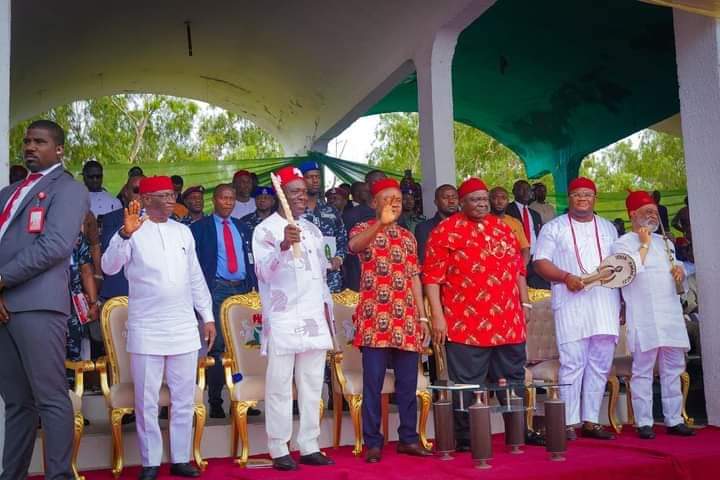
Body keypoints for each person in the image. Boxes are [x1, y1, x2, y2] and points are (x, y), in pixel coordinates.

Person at [102, 176, 216, 480]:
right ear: (147, 198)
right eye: (164, 195)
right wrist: (125, 234)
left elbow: (195, 278)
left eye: (172, 195)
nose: (171, 200)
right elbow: (108, 266)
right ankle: (150, 462)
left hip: (182, 328)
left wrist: (207, 316)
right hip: (147, 329)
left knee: (183, 399)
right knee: (147, 400)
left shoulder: (183, 232)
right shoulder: (132, 230)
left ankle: (180, 458)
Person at [424, 178, 542, 450]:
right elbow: (431, 278)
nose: (480, 203)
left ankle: (518, 431)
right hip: (466, 323)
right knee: (467, 384)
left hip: (507, 321)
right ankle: (466, 437)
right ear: (461, 203)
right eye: (473, 199)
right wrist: (437, 316)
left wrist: (524, 304)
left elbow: (518, 271)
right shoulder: (445, 231)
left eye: (483, 199)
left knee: (512, 378)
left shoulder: (503, 228)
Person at [0, 120, 89, 480]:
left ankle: (58, 477)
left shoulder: (68, 189)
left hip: (38, 305)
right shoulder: (8, 193)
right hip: (5, 306)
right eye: (27, 141)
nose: (31, 147)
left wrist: (2, 280)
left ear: (59, 150)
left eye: (40, 141)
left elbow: (54, 246)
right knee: (17, 403)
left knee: (51, 398)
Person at [252, 166, 335, 471]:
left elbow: (321, 278)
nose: (302, 196)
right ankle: (278, 448)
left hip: (313, 316)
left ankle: (310, 444)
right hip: (283, 317)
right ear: (281, 195)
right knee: (279, 384)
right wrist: (284, 246)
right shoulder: (265, 230)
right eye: (295, 192)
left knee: (313, 383)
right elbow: (263, 272)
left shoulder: (312, 230)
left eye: (304, 191)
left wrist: (328, 318)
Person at [348, 177, 432, 463]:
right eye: (387, 199)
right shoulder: (363, 228)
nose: (394, 204)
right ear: (374, 203)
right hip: (374, 318)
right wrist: (380, 224)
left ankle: (408, 438)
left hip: (406, 319)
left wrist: (422, 317)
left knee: (407, 383)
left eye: (397, 200)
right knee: (373, 383)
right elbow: (355, 247)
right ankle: (373, 442)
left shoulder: (408, 237)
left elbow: (414, 278)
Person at [533, 177, 621, 440]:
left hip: (605, 303)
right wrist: (564, 277)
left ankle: (591, 420)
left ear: (595, 198)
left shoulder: (608, 228)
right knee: (572, 362)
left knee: (600, 362)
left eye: (588, 194)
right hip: (571, 302)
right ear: (569, 198)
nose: (582, 198)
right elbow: (540, 262)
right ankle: (569, 422)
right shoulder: (554, 227)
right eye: (577, 194)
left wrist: (624, 302)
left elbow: (619, 265)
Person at [611, 191, 695, 439]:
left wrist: (680, 272)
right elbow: (629, 271)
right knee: (643, 370)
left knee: (673, 368)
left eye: (654, 211)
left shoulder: (666, 243)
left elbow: (678, 284)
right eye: (646, 211)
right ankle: (644, 422)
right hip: (644, 316)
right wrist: (645, 243)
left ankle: (674, 419)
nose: (652, 215)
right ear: (632, 215)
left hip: (669, 314)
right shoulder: (622, 243)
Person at [190, 184, 257, 419]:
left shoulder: (243, 228)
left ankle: (243, 398)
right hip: (216, 288)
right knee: (216, 345)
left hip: (242, 290)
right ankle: (216, 400)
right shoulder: (200, 228)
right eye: (223, 198)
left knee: (243, 344)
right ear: (214, 200)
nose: (228, 202)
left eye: (231, 198)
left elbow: (251, 260)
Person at [299, 160, 348, 293]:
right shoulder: (294, 211)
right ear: (301, 180)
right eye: (310, 177)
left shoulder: (331, 210)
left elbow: (342, 239)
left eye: (317, 177)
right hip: (303, 278)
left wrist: (339, 257)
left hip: (330, 278)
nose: (315, 180)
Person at [343, 170, 387, 291]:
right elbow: (345, 249)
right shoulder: (351, 215)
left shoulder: (395, 214)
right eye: (377, 182)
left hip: (389, 280)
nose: (381, 185)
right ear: (367, 186)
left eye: (384, 182)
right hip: (360, 280)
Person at [414, 184, 458, 265]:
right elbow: (423, 260)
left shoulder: (467, 225)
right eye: (445, 198)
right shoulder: (424, 228)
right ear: (436, 202)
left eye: (454, 197)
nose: (451, 201)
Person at [490, 186, 531, 265]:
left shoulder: (515, 222)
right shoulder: (482, 222)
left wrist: (521, 270)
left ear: (508, 201)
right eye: (495, 198)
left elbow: (525, 249)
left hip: (515, 268)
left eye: (503, 198)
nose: (500, 201)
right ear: (489, 200)